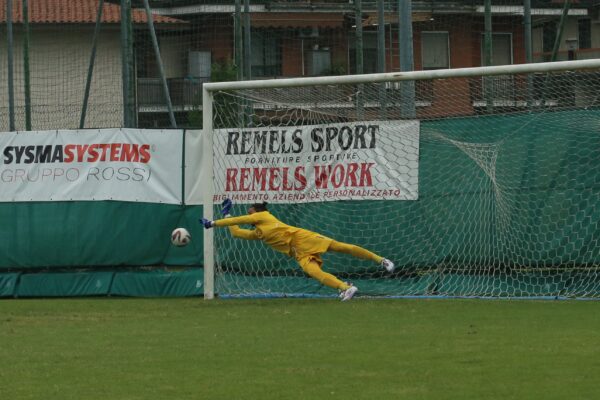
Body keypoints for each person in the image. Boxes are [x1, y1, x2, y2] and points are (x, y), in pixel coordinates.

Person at [201, 199, 395, 301]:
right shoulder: (259, 232)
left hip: (301, 237)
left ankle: (381, 260)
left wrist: (213, 222)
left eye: (250, 209)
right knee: (314, 272)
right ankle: (346, 288)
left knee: (341, 247)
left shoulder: (264, 216)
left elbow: (240, 221)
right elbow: (237, 232)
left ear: (255, 210)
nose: (248, 212)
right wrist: (226, 213)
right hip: (297, 252)